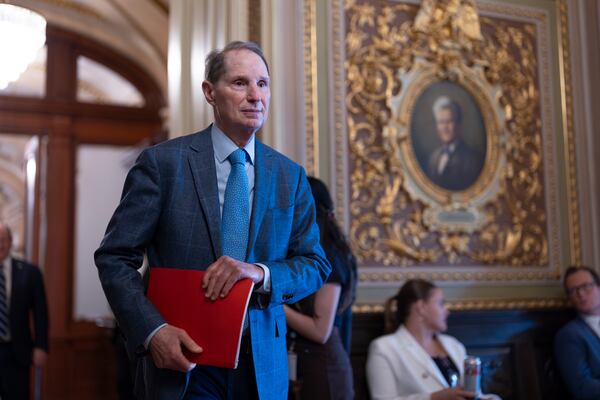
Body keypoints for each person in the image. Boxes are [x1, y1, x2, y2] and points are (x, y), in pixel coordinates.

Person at [94, 41, 331, 400]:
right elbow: (114, 258)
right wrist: (153, 331)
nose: (255, 96)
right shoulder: (164, 165)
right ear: (210, 92)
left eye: (262, 84)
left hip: (261, 366)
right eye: (240, 83)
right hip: (183, 362)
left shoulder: (290, 176)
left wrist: (261, 272)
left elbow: (315, 264)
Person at [285, 177, 357, 400]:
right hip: (305, 361)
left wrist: (274, 305)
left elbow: (320, 330)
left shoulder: (329, 258)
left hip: (324, 369)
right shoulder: (311, 252)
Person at [366, 279, 499, 400]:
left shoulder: (453, 345)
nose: (447, 311)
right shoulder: (384, 348)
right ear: (421, 307)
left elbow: (473, 393)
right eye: (441, 304)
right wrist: (434, 398)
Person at [0, 222, 49, 400]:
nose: (0, 245)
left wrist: (41, 346)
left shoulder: (30, 273)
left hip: (18, 353)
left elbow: (41, 313)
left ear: (11, 242)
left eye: (3, 240)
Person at [554, 265, 600, 399]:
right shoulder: (569, 335)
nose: (580, 294)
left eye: (586, 286)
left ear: (598, 287)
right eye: (573, 290)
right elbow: (582, 387)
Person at [426, 96, 484, 191]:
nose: (445, 127)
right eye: (441, 122)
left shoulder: (473, 159)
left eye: (449, 121)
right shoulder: (433, 158)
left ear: (458, 124)